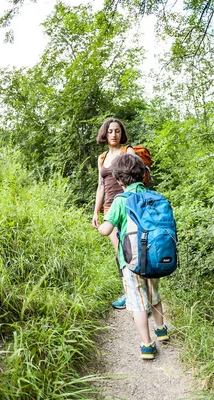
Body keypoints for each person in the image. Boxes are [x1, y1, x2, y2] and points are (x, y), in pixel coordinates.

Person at [96, 154, 169, 360]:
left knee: (138, 303)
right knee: (155, 294)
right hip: (154, 257)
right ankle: (161, 330)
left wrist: (100, 224)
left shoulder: (120, 201)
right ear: (142, 175)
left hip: (131, 262)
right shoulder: (153, 196)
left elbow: (106, 230)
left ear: (119, 180)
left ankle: (147, 345)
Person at [92, 118, 136, 309]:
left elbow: (137, 178)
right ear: (105, 133)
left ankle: (142, 293)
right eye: (110, 131)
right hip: (110, 209)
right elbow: (100, 187)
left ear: (121, 133)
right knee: (120, 252)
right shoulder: (102, 158)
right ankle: (129, 293)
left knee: (133, 250)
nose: (113, 135)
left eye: (117, 131)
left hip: (128, 206)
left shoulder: (128, 152)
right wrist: (95, 212)